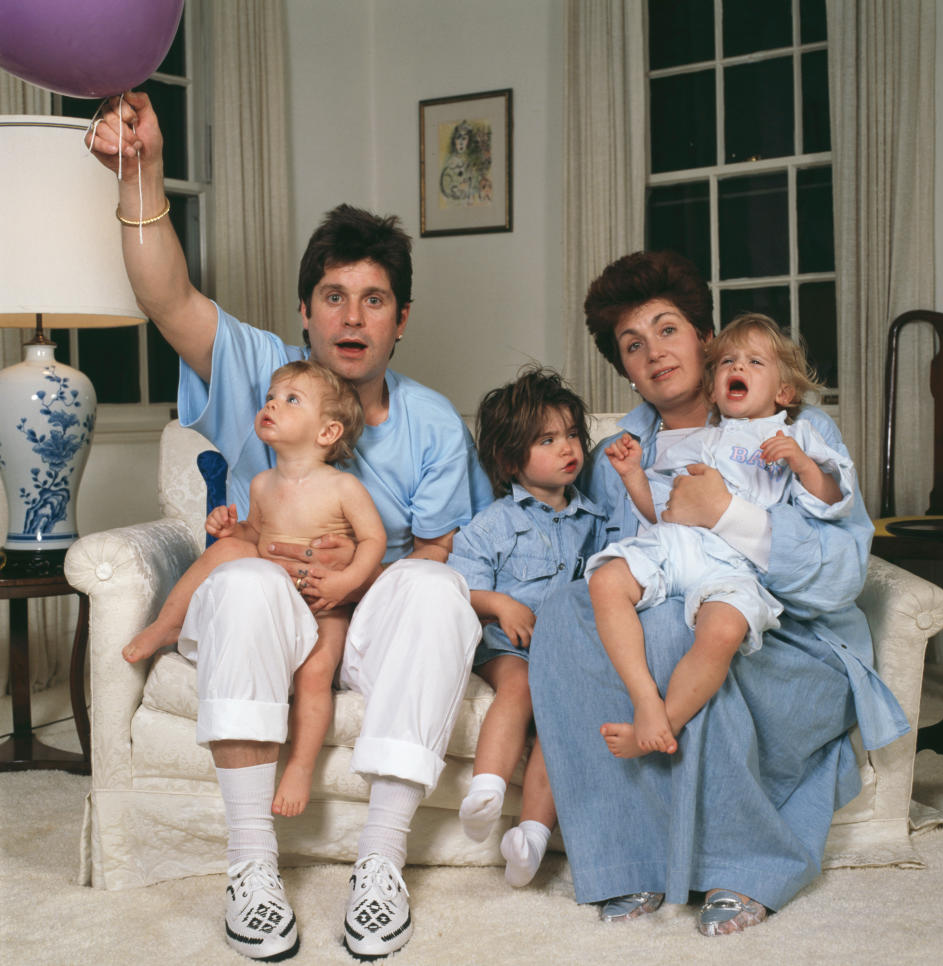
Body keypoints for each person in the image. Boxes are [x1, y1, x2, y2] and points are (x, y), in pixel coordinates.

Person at [87, 91, 492, 962]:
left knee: (436, 587)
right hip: (261, 611)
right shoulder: (266, 376)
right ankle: (250, 865)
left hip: (361, 615)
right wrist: (143, 172)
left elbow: (438, 549)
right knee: (237, 577)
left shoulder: (431, 425)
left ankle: (380, 863)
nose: (353, 316)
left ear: (401, 320)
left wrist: (354, 575)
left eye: (375, 299)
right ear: (304, 312)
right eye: (334, 296)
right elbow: (168, 296)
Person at [527, 250, 908, 937]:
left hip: (790, 640)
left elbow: (842, 575)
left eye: (667, 329)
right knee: (564, 612)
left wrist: (727, 514)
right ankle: (626, 860)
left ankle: (742, 862)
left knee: (681, 629)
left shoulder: (794, 431)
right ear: (624, 369)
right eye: (632, 345)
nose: (654, 353)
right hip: (679, 608)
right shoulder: (625, 451)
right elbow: (600, 552)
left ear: (706, 338)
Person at [122, 360, 386, 817]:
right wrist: (230, 529)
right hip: (273, 603)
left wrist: (345, 581)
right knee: (224, 554)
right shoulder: (263, 484)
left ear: (327, 432)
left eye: (290, 400)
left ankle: (300, 766)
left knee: (315, 674)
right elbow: (255, 540)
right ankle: (168, 624)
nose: (272, 405)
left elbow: (373, 541)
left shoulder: (343, 487)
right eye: (270, 398)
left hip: (326, 606)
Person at [586, 314, 855, 758]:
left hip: (736, 565)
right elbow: (664, 511)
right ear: (714, 389)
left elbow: (832, 499)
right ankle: (644, 699)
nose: (738, 368)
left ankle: (663, 724)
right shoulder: (703, 440)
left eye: (754, 361)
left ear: (784, 392)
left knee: (724, 631)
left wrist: (803, 464)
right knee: (605, 580)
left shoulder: (800, 433)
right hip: (685, 546)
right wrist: (634, 475)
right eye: (728, 361)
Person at [446, 367, 607, 887]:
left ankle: (532, 836)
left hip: (563, 653)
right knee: (519, 690)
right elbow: (458, 590)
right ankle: (486, 789)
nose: (569, 448)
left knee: (562, 723)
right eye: (548, 439)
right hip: (506, 648)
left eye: (573, 435)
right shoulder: (492, 523)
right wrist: (500, 603)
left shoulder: (594, 522)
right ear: (512, 460)